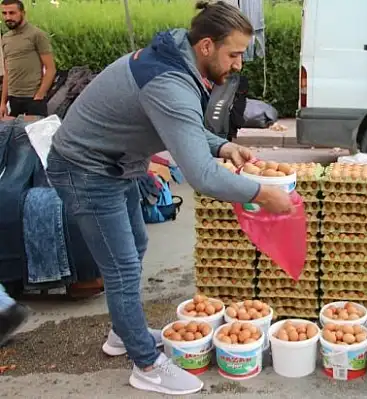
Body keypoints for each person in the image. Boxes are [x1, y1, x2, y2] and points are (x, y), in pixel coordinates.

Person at [45, 1, 293, 395]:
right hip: (86, 171)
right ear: (207, 46)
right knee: (122, 266)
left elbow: (181, 128)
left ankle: (122, 335)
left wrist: (220, 146)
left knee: (136, 246)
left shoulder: (174, 60)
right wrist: (263, 194)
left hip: (115, 166)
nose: (239, 65)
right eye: (235, 53)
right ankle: (146, 365)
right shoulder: (170, 83)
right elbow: (201, 177)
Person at [0, 0, 55, 117]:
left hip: (33, 98)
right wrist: (3, 103)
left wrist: (39, 96)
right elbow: (7, 73)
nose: (8, 17)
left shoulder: (36, 35)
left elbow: (50, 69)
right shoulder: (5, 38)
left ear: (23, 13)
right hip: (13, 98)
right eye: (4, 13)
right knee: (12, 134)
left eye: (12, 13)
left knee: (34, 135)